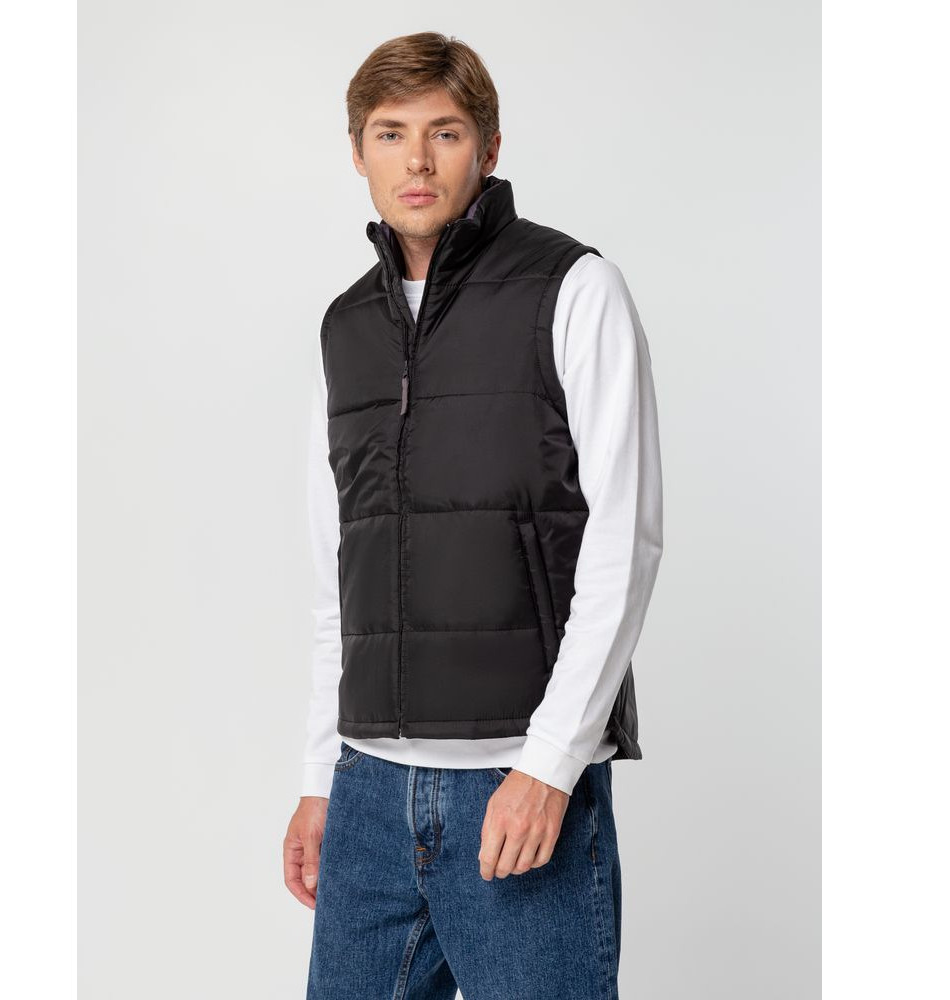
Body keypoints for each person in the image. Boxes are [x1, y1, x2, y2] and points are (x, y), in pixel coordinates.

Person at [284, 31, 664, 1000]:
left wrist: (551, 765)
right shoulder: (345, 326)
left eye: (444, 132)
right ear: (357, 151)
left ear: (488, 148)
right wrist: (322, 776)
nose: (416, 160)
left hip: (517, 782)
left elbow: (625, 540)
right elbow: (339, 574)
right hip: (368, 789)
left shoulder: (572, 287)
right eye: (390, 133)